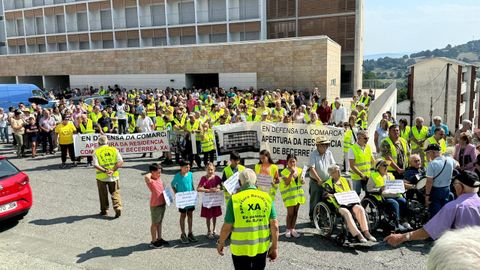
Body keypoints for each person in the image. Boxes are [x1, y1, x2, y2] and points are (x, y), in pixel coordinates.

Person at [384, 170, 480, 246]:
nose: (454, 188)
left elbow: (428, 231)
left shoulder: (454, 207)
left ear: (459, 187)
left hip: (463, 253)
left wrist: (402, 237)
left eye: (454, 185)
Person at [216, 169, 279, 270]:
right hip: (260, 248)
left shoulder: (234, 200)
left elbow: (227, 227)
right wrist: (275, 247)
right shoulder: (266, 197)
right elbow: (274, 225)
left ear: (240, 183)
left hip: (240, 249)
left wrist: (221, 242)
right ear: (256, 182)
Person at [323, 164, 376, 242]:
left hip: (350, 203)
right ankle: (358, 234)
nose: (339, 172)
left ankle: (366, 232)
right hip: (339, 205)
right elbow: (325, 195)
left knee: (360, 209)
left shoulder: (345, 180)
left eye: (339, 170)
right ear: (331, 174)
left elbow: (351, 191)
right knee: (347, 213)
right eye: (336, 171)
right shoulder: (328, 183)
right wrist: (334, 195)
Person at [367, 160, 412, 231]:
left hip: (395, 195)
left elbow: (395, 185)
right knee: (394, 203)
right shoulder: (373, 176)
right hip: (383, 197)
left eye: (387, 165)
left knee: (403, 201)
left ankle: (404, 222)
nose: (386, 167)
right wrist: (380, 189)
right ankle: (397, 224)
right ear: (378, 167)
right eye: (384, 165)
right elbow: (369, 188)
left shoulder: (390, 175)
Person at [93, 135, 123, 218]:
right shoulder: (114, 150)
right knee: (115, 193)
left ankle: (104, 210)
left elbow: (95, 165)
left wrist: (105, 171)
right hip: (113, 176)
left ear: (98, 143)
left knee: (103, 194)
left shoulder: (96, 151)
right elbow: (120, 162)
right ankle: (117, 207)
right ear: (107, 142)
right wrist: (112, 170)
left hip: (101, 176)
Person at [424, 144, 458, 218]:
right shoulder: (449, 159)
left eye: (428, 153)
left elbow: (429, 181)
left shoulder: (432, 164)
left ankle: (436, 228)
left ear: (433, 152)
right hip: (447, 189)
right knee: (446, 212)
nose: (428, 155)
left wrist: (427, 195)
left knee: (436, 214)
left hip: (436, 191)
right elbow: (458, 165)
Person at [308, 136, 336, 223]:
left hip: (327, 181)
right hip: (316, 181)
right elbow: (312, 168)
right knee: (315, 201)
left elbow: (333, 165)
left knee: (326, 200)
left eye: (326, 145)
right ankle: (313, 219)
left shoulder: (329, 153)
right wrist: (319, 179)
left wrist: (334, 176)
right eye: (322, 145)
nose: (325, 147)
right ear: (318, 145)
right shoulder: (313, 154)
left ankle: (323, 219)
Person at [171, 160, 198, 243]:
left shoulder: (190, 174)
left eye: (189, 167)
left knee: (190, 214)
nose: (188, 169)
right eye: (186, 167)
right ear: (181, 167)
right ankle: (183, 234)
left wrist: (194, 193)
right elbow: (172, 185)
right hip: (182, 200)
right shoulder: (177, 176)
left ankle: (190, 233)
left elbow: (192, 184)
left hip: (190, 199)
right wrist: (176, 194)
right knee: (183, 215)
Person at [280, 154, 305, 238]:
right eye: (290, 161)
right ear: (287, 162)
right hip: (290, 195)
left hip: (298, 195)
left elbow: (301, 182)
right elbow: (287, 182)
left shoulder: (300, 170)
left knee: (295, 213)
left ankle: (293, 229)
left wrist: (302, 181)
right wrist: (291, 174)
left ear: (296, 162)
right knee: (290, 213)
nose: (292, 163)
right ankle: (287, 229)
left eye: (293, 161)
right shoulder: (284, 172)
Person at [144, 163, 169, 248]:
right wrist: (151, 172)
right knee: (155, 223)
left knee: (159, 222)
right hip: (155, 205)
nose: (160, 174)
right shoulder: (151, 181)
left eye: (160, 172)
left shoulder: (159, 179)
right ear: (152, 172)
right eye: (158, 172)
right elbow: (146, 177)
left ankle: (159, 238)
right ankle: (153, 241)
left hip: (162, 203)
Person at [197, 163, 223, 239]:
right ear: (206, 169)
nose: (210, 171)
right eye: (208, 169)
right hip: (207, 200)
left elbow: (222, 185)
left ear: (214, 169)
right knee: (208, 216)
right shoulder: (203, 178)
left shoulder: (217, 177)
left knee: (215, 215)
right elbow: (198, 188)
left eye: (211, 169)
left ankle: (214, 229)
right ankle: (208, 231)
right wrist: (208, 190)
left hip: (215, 200)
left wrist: (219, 188)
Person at [349, 130, 375, 195]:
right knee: (356, 195)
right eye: (365, 138)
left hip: (367, 176)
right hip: (357, 177)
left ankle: (363, 205)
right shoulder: (352, 149)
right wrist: (361, 174)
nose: (367, 140)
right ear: (359, 138)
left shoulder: (368, 147)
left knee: (369, 194)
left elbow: (373, 161)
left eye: (368, 138)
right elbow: (352, 165)